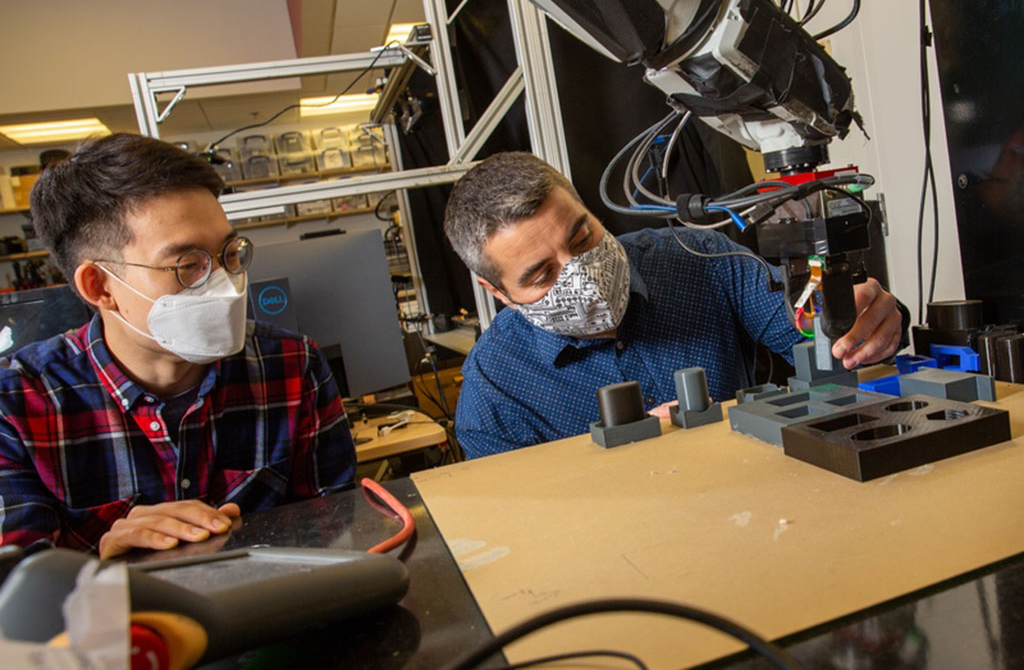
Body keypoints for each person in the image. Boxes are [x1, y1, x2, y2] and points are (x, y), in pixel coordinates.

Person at [0, 135, 356, 558]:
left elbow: (339, 539)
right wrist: (102, 569)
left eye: (229, 254)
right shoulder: (17, 407)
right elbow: (16, 603)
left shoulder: (294, 367)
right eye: (189, 265)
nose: (224, 283)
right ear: (100, 287)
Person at [444, 152, 907, 459]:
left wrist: (869, 325)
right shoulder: (496, 389)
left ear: (590, 211)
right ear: (498, 292)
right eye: (542, 274)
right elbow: (522, 530)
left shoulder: (703, 259)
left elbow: (818, 339)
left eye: (582, 236)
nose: (580, 272)